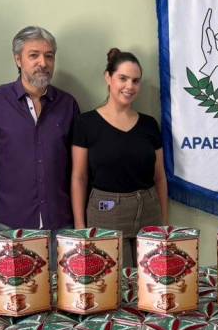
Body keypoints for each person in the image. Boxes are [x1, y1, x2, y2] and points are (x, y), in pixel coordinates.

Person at [0, 27, 80, 245]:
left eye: (49, 56)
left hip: (61, 226)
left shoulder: (67, 104)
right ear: (18, 59)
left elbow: (80, 166)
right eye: (34, 55)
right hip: (10, 226)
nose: (43, 63)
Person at [71, 48, 168, 265]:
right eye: (123, 78)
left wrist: (164, 221)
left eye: (135, 81)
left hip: (148, 211)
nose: (129, 86)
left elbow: (160, 177)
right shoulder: (86, 124)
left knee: (151, 277)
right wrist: (79, 226)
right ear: (108, 77)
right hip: (106, 212)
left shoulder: (149, 125)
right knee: (114, 279)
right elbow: (79, 177)